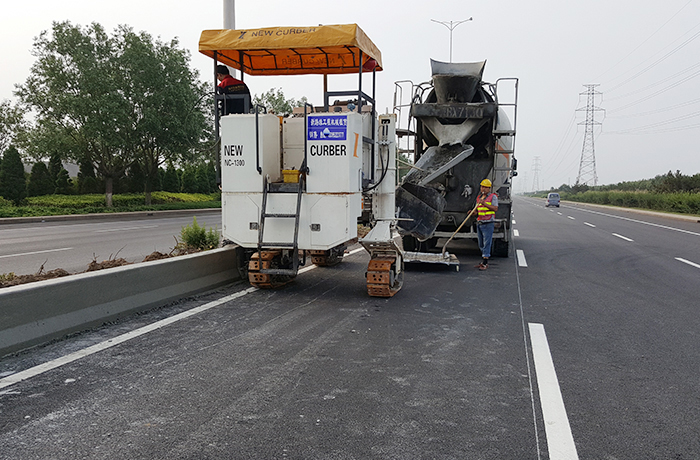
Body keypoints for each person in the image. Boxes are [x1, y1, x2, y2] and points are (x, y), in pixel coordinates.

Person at [475, 178, 498, 270]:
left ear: (489, 188)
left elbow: (495, 208)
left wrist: (484, 203)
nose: (483, 189)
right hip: (480, 222)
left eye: (485, 187)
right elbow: (478, 210)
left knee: (486, 243)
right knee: (481, 243)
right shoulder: (479, 198)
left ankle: (485, 262)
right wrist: (473, 213)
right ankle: (483, 259)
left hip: (488, 223)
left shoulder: (493, 197)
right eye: (482, 187)